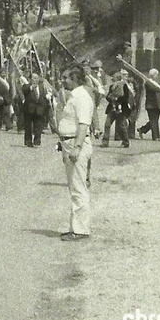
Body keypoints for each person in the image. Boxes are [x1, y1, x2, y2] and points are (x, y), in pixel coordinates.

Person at [55, 64, 94, 241]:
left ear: (75, 79)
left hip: (75, 144)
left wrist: (77, 147)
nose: (62, 80)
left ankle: (80, 230)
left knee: (78, 188)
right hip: (68, 143)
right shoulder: (73, 97)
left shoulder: (82, 98)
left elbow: (84, 125)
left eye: (66, 78)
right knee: (74, 187)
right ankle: (75, 227)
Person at [102, 71, 131, 148]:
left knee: (121, 126)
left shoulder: (124, 86)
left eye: (114, 77)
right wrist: (110, 98)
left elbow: (126, 98)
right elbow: (108, 96)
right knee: (107, 124)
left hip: (120, 109)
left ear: (118, 78)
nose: (112, 78)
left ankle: (125, 142)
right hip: (112, 108)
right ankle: (105, 142)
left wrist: (117, 99)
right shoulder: (112, 86)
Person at [22, 72, 51, 147]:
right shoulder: (26, 86)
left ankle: (37, 141)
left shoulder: (42, 87)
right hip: (29, 109)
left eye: (37, 78)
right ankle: (28, 141)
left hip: (39, 109)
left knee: (38, 126)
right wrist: (32, 87)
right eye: (34, 78)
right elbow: (25, 91)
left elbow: (43, 96)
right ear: (30, 79)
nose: (35, 80)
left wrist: (47, 97)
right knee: (28, 126)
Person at [137, 69, 160, 141]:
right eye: (156, 74)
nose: (157, 76)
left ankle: (142, 129)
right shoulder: (148, 83)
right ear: (153, 75)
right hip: (151, 104)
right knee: (153, 120)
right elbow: (153, 88)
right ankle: (155, 137)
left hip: (157, 104)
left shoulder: (155, 82)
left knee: (154, 120)